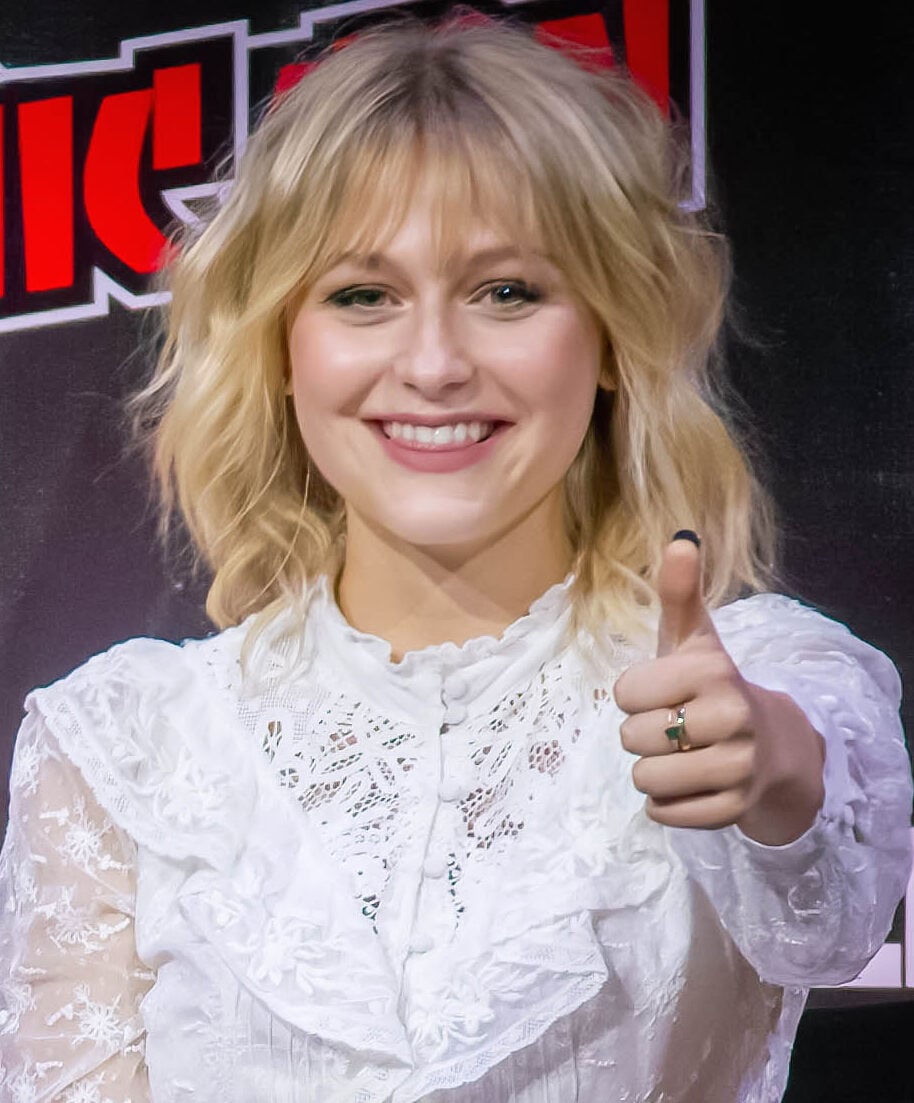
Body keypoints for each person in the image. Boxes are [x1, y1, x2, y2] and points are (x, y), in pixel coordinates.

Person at [0, 10, 910, 1103]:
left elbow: (826, 910)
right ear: (281, 348)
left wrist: (770, 772)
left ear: (613, 335)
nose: (431, 362)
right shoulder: (122, 739)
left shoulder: (763, 676)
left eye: (505, 291)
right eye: (361, 296)